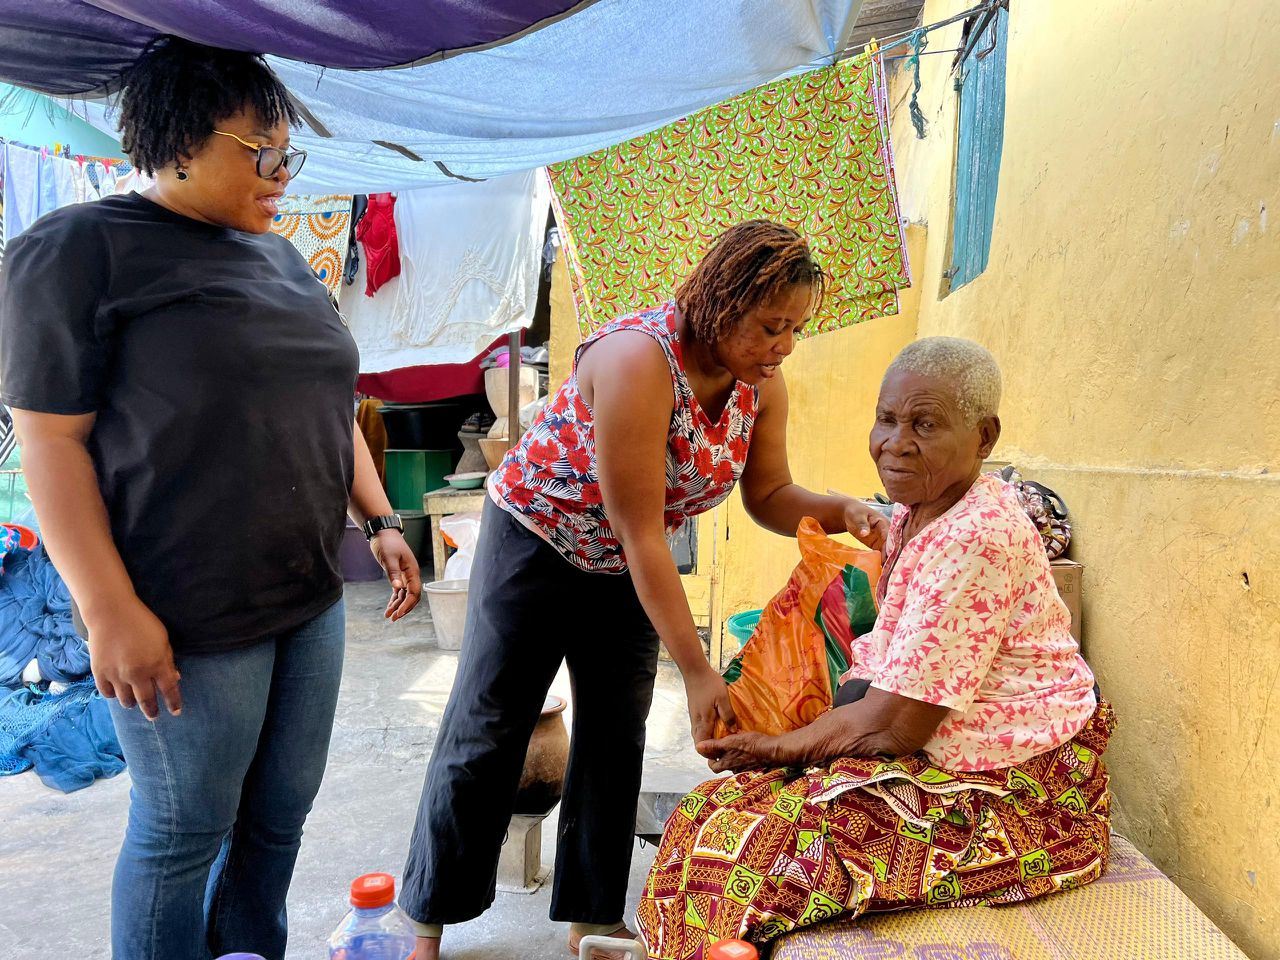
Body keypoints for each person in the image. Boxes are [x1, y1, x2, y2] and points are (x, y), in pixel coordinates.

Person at [0, 37, 421, 960]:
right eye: (264, 152)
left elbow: (327, 403)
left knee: (277, 824)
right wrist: (107, 609)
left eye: (287, 155)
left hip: (307, 600)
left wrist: (379, 518)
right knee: (184, 831)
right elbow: (51, 442)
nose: (283, 174)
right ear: (185, 140)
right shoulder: (80, 249)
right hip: (183, 608)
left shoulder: (277, 261)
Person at [400, 220, 890, 959]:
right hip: (537, 538)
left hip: (626, 557)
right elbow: (641, 531)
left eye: (794, 330)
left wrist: (840, 509)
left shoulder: (760, 384)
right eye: (768, 326)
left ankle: (592, 917)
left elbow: (771, 493)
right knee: (490, 722)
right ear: (723, 304)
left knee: (615, 730)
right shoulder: (637, 359)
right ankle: (428, 920)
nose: (781, 346)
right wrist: (695, 669)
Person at [635, 337, 1109, 958]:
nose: (895, 442)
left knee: (756, 851)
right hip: (940, 751)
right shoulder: (924, 511)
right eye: (886, 419)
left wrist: (781, 747)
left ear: (984, 437)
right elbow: (886, 659)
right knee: (715, 807)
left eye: (925, 424)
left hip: (1023, 794)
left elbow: (895, 725)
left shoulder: (976, 538)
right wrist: (806, 735)